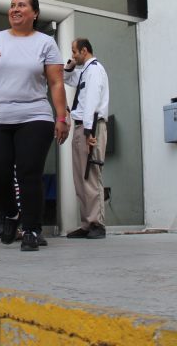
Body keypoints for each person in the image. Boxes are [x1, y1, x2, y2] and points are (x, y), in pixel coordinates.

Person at [0, 0, 69, 252]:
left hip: (34, 115)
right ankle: (10, 212)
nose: (15, 9)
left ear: (34, 13)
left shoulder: (46, 43)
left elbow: (56, 82)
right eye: (12, 5)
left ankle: (31, 230)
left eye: (22, 5)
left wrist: (62, 116)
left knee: (29, 173)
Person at [63, 38, 110, 239]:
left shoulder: (95, 70)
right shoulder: (84, 71)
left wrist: (90, 132)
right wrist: (70, 67)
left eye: (74, 52)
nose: (73, 55)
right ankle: (87, 223)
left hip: (91, 126)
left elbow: (91, 101)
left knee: (91, 176)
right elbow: (68, 79)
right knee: (80, 178)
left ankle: (97, 224)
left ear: (84, 50)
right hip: (82, 126)